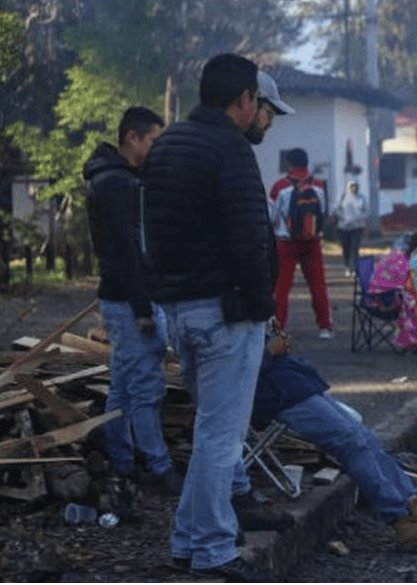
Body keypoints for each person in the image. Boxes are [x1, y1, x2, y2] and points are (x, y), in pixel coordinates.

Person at [141, 53, 277, 581]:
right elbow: (249, 239)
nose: (254, 113)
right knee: (221, 436)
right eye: (255, 103)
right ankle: (215, 550)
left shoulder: (167, 143)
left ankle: (186, 540)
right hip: (227, 313)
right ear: (243, 100)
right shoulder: (231, 149)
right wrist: (264, 308)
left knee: (209, 431)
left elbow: (149, 232)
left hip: (179, 310)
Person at [238, 329, 417, 552]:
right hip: (273, 392)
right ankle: (404, 521)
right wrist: (269, 350)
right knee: (351, 441)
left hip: (288, 382)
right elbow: (234, 366)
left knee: (365, 437)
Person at [83, 107, 181, 495]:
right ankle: (158, 466)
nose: (156, 148)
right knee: (145, 388)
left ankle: (123, 463)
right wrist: (143, 308)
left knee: (123, 387)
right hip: (128, 300)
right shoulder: (117, 184)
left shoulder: (116, 178)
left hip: (121, 296)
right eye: (153, 139)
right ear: (132, 138)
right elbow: (126, 251)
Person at [269, 148, 335, 339]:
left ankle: (278, 328)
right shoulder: (320, 185)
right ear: (307, 163)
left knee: (281, 288)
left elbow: (272, 216)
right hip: (312, 241)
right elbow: (323, 212)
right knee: (318, 285)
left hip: (286, 243)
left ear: (289, 164)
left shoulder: (279, 186)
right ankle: (325, 327)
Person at [332, 180, 368, 277]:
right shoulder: (342, 197)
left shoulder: (362, 198)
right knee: (346, 248)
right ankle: (347, 267)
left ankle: (355, 268)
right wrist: (343, 217)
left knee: (355, 248)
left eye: (355, 186)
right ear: (348, 187)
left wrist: (359, 217)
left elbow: (366, 211)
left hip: (357, 227)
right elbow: (336, 209)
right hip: (343, 227)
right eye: (352, 186)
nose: (354, 188)